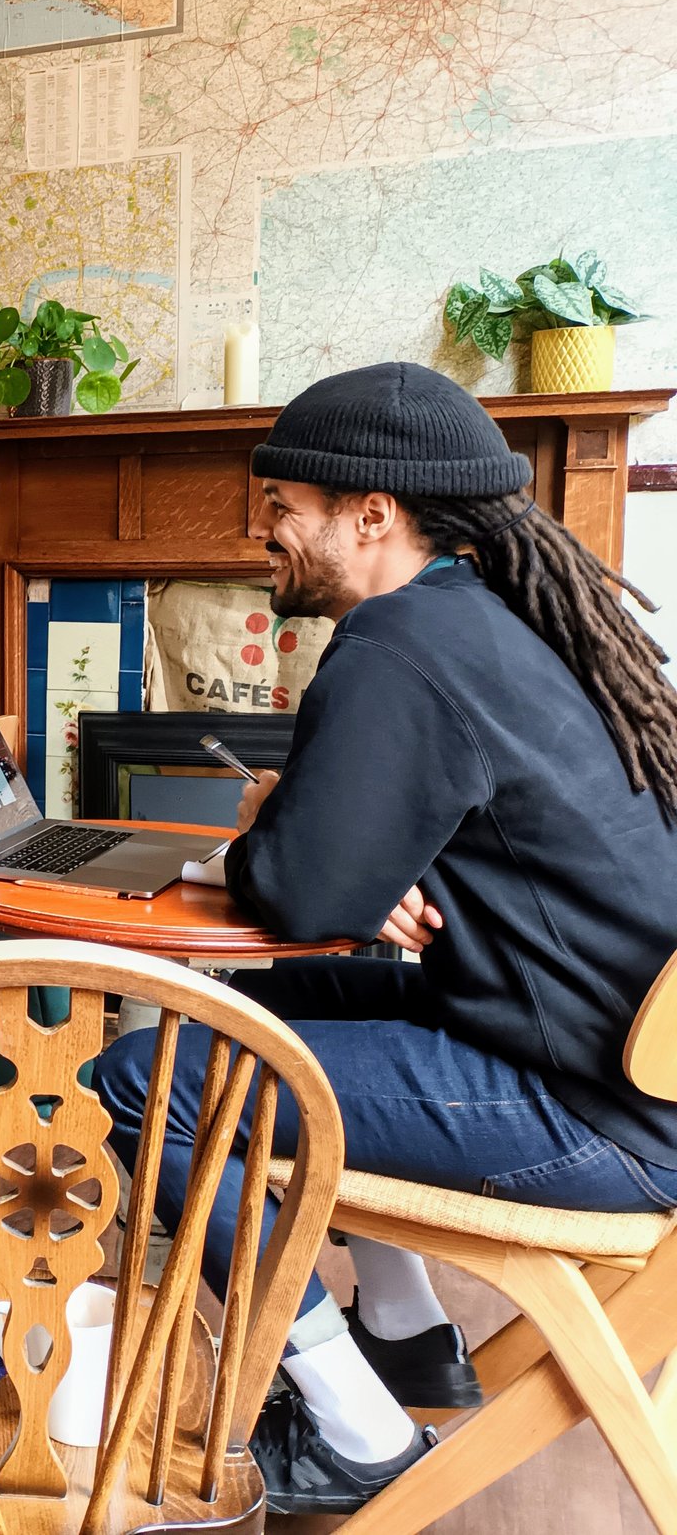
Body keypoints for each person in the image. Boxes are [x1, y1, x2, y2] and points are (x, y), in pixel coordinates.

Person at [93, 362, 677, 1515]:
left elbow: (300, 896)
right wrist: (361, 864)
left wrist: (276, 830)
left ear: (370, 515)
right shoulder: (491, 619)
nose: (259, 529)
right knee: (250, 1012)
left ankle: (355, 1432)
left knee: (148, 1084)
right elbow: (360, 871)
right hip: (603, 1059)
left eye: (280, 506)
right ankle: (406, 1334)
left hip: (600, 1116)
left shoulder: (395, 646)